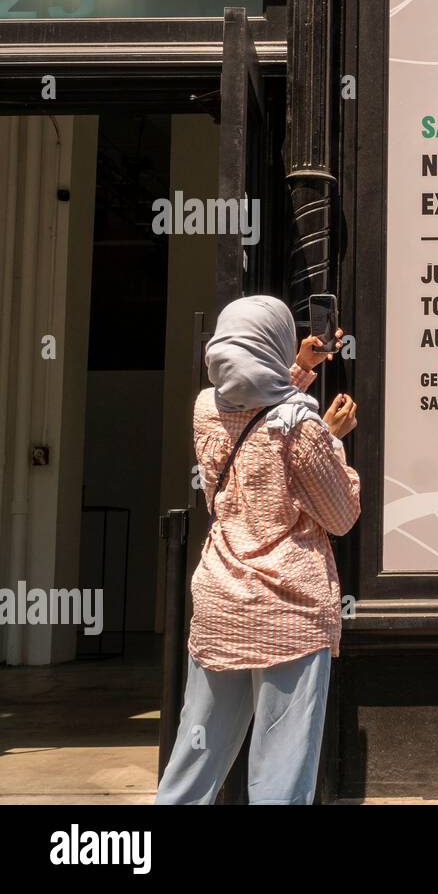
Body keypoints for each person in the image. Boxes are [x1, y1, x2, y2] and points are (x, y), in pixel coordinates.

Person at [155, 295, 360, 804]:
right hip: (288, 612)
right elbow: (341, 515)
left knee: (198, 747)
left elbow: (253, 404)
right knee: (281, 764)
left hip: (221, 603)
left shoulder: (206, 408)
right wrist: (334, 442)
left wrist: (298, 369)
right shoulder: (305, 430)